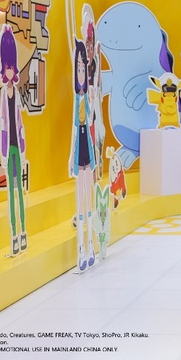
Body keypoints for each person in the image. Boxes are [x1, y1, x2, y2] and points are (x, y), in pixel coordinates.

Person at [0, 25, 27, 256]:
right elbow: (2, 124)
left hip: (18, 147)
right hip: (9, 149)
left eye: (11, 66)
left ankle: (23, 233)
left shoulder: (16, 93)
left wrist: (23, 147)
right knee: (11, 194)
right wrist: (3, 153)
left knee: (19, 193)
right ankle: (14, 234)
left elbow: (19, 121)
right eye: (6, 66)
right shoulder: (3, 95)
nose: (9, 71)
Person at [70, 40, 96, 272]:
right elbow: (73, 131)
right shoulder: (76, 101)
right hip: (79, 154)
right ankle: (81, 248)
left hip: (88, 152)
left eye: (83, 68)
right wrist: (71, 157)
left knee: (89, 200)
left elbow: (90, 120)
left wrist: (93, 100)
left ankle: (90, 246)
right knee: (80, 201)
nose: (81, 73)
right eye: (78, 68)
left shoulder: (86, 99)